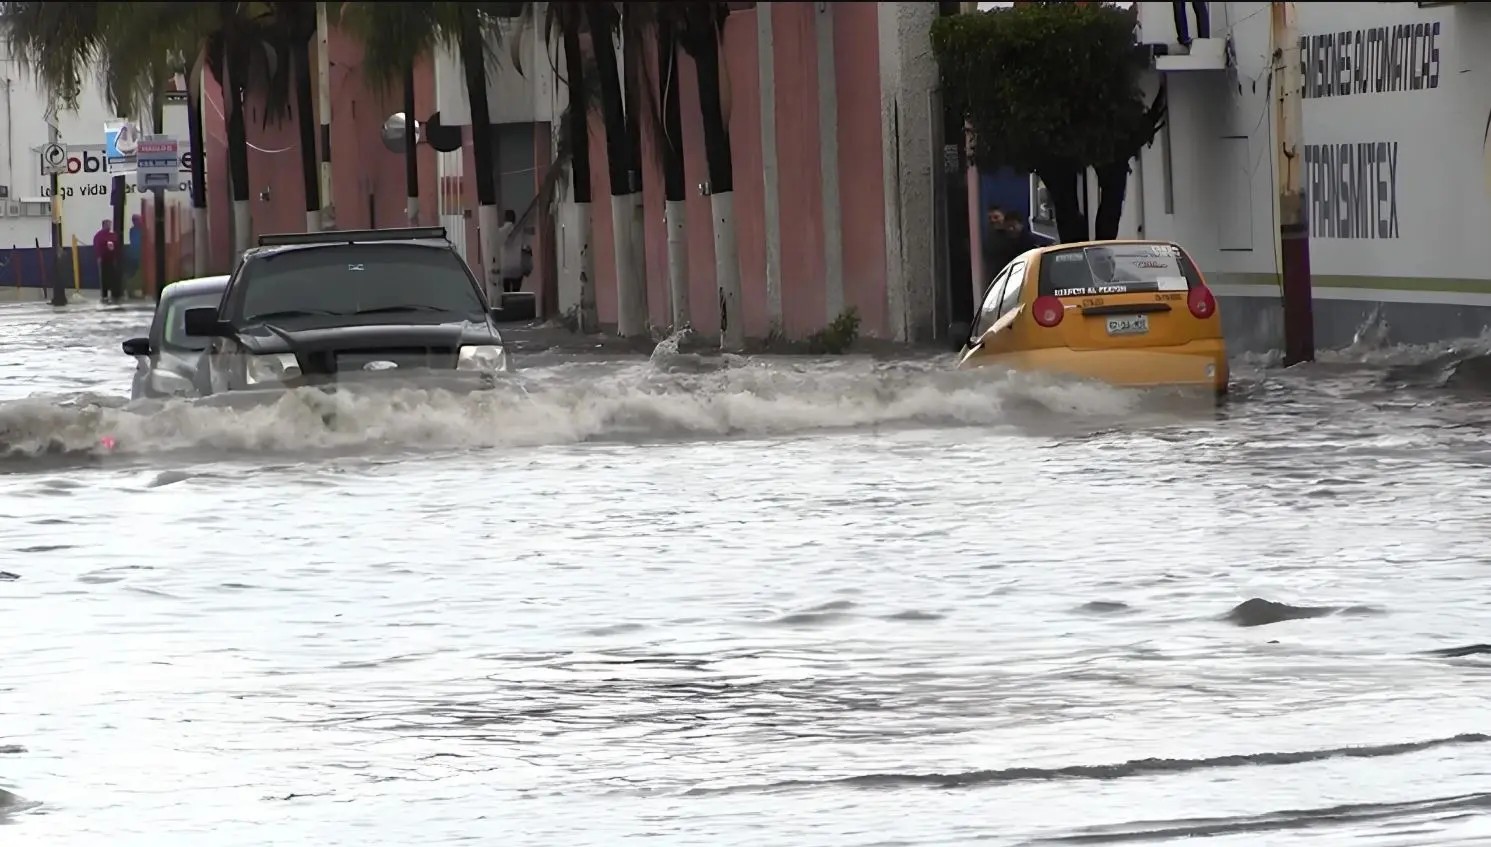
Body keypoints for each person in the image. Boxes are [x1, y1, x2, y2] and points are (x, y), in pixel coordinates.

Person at [496, 209, 525, 294]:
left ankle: (508, 305)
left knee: (506, 293)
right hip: (517, 267)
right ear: (514, 219)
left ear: (505, 218)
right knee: (516, 293)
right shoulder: (519, 232)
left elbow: (497, 243)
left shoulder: (500, 231)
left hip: (505, 268)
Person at [92, 220, 120, 304]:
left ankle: (115, 294)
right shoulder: (99, 236)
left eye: (110, 224)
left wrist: (116, 256)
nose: (109, 226)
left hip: (112, 259)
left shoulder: (113, 235)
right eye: (107, 224)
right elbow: (97, 247)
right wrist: (99, 257)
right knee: (104, 278)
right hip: (103, 259)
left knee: (113, 277)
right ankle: (104, 295)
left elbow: (117, 245)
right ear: (103, 225)